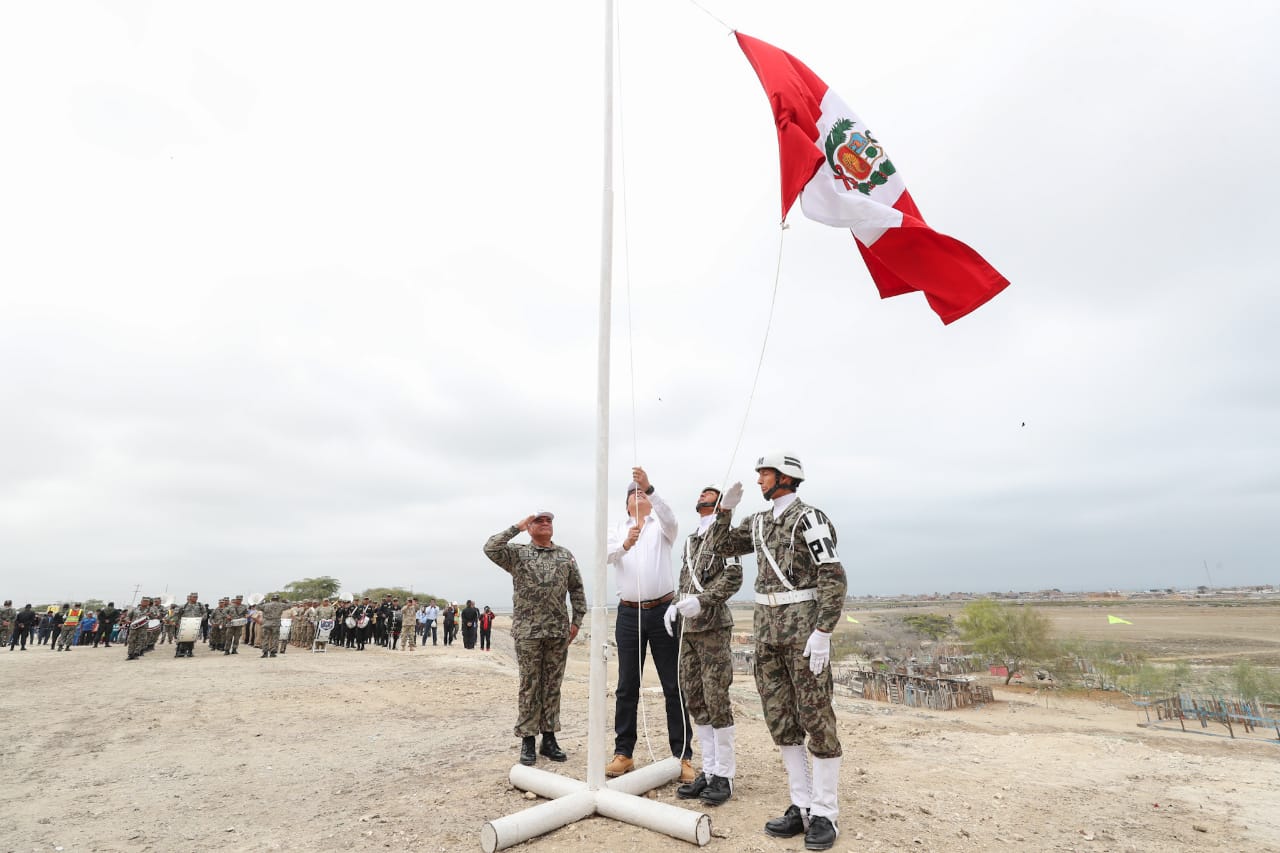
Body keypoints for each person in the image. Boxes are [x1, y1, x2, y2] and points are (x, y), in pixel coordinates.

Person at [711, 452, 847, 850]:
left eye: (765, 474)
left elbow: (832, 576)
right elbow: (719, 547)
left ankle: (826, 812)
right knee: (780, 718)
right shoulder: (758, 522)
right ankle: (800, 805)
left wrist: (823, 631)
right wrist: (724, 512)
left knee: (816, 716)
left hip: (803, 631)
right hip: (767, 633)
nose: (758, 481)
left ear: (786, 477)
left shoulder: (810, 519)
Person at [605, 466, 694, 783]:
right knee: (627, 685)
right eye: (633, 493)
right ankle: (624, 753)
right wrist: (626, 545)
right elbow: (606, 555)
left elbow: (672, 519)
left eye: (641, 491)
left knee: (673, 684)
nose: (637, 494)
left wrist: (651, 488)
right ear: (626, 504)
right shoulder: (617, 529)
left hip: (663, 611)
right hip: (629, 614)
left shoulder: (661, 526)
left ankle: (682, 755)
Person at [484, 509, 585, 767]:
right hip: (528, 631)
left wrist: (576, 621)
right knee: (530, 685)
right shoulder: (517, 554)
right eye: (538, 521)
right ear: (530, 527)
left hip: (557, 631)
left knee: (552, 685)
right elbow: (490, 548)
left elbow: (576, 589)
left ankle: (549, 739)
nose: (544, 524)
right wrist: (517, 526)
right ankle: (528, 739)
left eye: (548, 520)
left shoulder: (565, 555)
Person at [668, 484, 743, 806]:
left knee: (716, 698)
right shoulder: (690, 540)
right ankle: (709, 771)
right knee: (695, 699)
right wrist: (675, 603)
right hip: (689, 628)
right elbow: (686, 579)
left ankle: (723, 775)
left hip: (712, 625)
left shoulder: (726, 536)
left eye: (710, 493)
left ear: (720, 503)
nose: (702, 495)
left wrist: (703, 600)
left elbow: (733, 576)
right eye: (700, 493)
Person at [172, 592, 206, 658]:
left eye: (196, 597)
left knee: (191, 638)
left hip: (194, 624)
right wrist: (176, 622)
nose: (195, 598)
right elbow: (176, 615)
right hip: (184, 624)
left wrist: (201, 619)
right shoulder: (183, 606)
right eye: (194, 597)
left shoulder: (200, 605)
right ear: (190, 597)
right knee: (181, 638)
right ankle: (179, 652)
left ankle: (190, 651)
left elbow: (204, 613)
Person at [257, 594, 287, 658]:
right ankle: (273, 653)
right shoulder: (281, 605)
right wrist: (286, 601)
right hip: (276, 623)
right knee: (275, 638)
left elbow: (258, 606)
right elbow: (290, 605)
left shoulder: (265, 605)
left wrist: (262, 601)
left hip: (266, 623)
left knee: (265, 638)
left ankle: (265, 652)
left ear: (272, 599)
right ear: (278, 599)